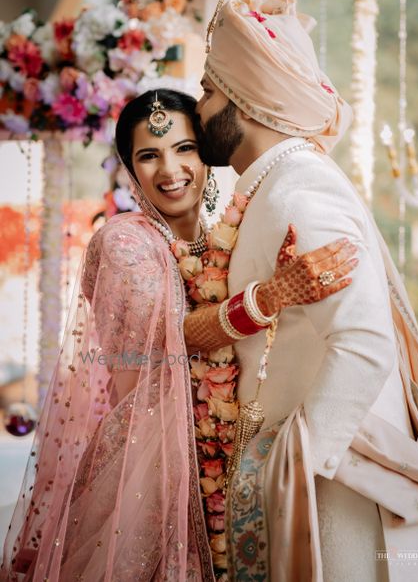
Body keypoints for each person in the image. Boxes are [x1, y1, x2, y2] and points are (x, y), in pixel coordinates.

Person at [1, 89, 357, 581]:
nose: (170, 169)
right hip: (145, 464)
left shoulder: (226, 233)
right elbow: (172, 334)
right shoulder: (123, 241)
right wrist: (270, 296)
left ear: (206, 153)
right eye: (149, 155)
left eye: (184, 148)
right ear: (130, 167)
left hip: (230, 448)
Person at [196, 0, 418, 582]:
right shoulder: (272, 184)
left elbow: (364, 340)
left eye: (209, 90)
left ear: (245, 99)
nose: (199, 104)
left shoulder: (297, 186)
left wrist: (300, 455)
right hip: (320, 481)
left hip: (335, 489)